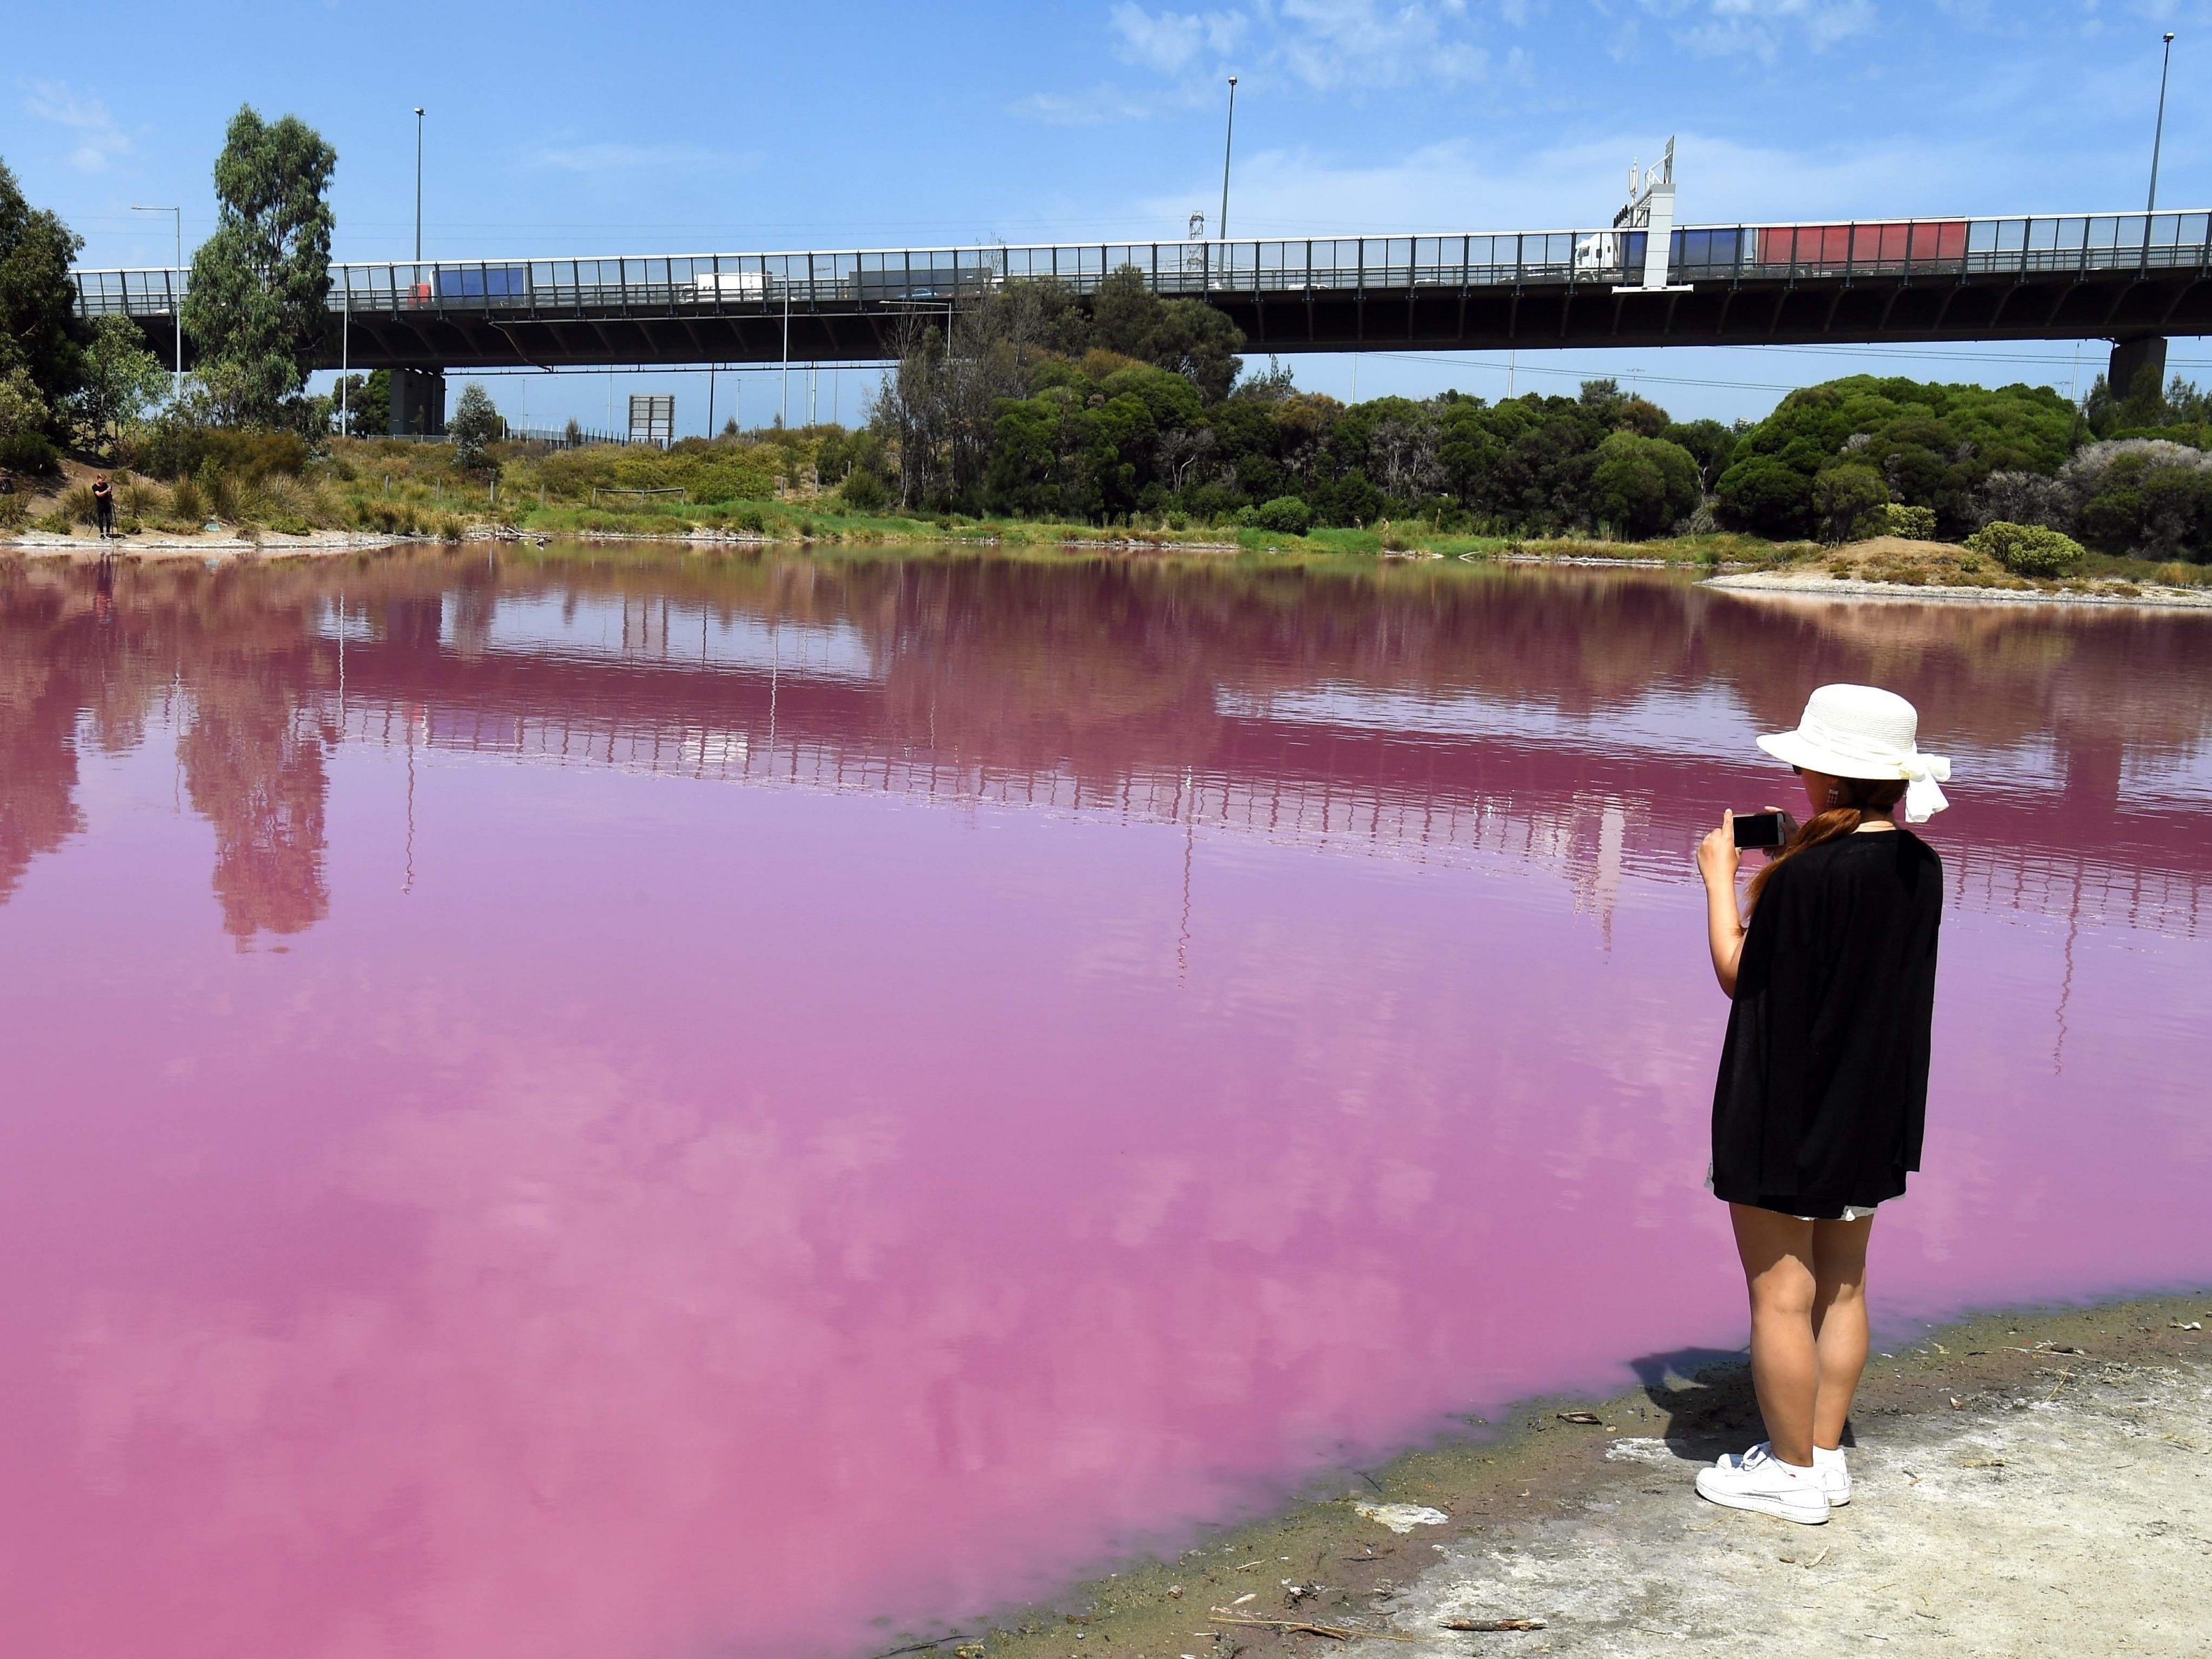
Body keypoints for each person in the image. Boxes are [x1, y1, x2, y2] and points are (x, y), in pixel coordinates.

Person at [1691, 684, 1952, 1525]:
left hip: (1784, 1106)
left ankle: (1792, 1475)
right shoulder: (1919, 864)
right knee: (1842, 1284)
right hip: (1872, 1106)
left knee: (1779, 1293)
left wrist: (1719, 880)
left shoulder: (1806, 872)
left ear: (1826, 774)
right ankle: (1824, 1453)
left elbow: (1741, 975)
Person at [91, 474, 115, 540]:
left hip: (107, 504)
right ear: (98, 479)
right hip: (100, 504)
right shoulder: (95, 487)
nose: (103, 481)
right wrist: (106, 491)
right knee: (101, 519)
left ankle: (108, 533)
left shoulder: (105, 485)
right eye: (102, 480)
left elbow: (107, 493)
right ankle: (102, 534)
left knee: (109, 518)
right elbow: (99, 494)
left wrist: (109, 493)